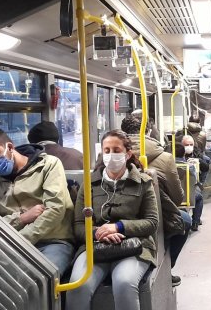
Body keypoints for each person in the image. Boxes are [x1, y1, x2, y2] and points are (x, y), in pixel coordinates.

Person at [66, 130, 159, 310]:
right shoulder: (89, 184)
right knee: (78, 285)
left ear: (128, 154)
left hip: (134, 245)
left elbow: (152, 222)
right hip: (96, 245)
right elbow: (78, 225)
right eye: (106, 150)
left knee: (124, 283)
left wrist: (118, 227)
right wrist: (98, 233)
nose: (111, 155)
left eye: (116, 150)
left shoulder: (143, 183)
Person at [0, 127, 75, 276]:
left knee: (38, 278)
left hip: (53, 241)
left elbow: (55, 210)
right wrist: (20, 219)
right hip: (10, 242)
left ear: (10, 147)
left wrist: (21, 240)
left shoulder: (47, 165)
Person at [120, 113, 190, 286]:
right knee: (185, 221)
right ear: (148, 131)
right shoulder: (164, 157)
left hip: (117, 216)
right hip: (155, 216)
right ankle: (166, 268)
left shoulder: (109, 154)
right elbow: (177, 197)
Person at [179, 134, 210, 231]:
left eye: (191, 145)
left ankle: (195, 222)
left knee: (198, 195)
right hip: (180, 182)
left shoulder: (196, 152)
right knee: (197, 197)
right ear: (182, 145)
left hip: (192, 182)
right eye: (186, 145)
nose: (189, 147)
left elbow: (205, 167)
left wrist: (197, 161)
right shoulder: (177, 153)